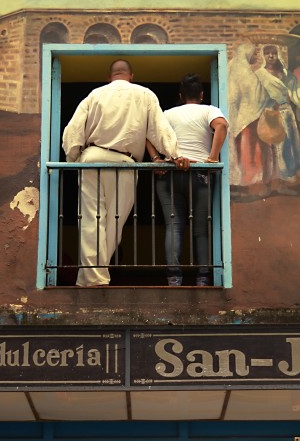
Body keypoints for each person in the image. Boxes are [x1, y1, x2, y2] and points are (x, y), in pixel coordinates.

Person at [62, 59, 180, 287]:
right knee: (114, 223)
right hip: (125, 163)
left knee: (91, 220)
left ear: (110, 77)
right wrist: (174, 155)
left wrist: (74, 159)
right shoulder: (145, 94)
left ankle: (92, 277)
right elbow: (160, 129)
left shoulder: (94, 95)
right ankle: (95, 276)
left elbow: (72, 132)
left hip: (93, 159)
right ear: (131, 75)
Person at [147, 74, 229, 287]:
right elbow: (221, 126)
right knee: (200, 229)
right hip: (199, 172)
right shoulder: (209, 110)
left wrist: (156, 159)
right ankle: (202, 278)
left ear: (180, 96)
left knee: (173, 226)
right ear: (201, 95)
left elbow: (147, 134)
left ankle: (174, 278)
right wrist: (212, 157)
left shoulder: (168, 114)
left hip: (170, 173)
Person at [256, 45, 300, 194]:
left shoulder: (285, 74)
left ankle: (282, 185)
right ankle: (267, 187)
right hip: (268, 115)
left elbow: (297, 91)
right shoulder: (259, 75)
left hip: (285, 114)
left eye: (274, 53)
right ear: (263, 56)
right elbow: (256, 96)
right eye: (267, 54)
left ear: (278, 55)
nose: (271, 56)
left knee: (285, 149)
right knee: (269, 151)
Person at [228, 42, 274, 200]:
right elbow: (256, 97)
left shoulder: (232, 66)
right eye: (254, 53)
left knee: (238, 152)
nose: (256, 56)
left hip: (235, 118)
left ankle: (238, 186)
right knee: (249, 152)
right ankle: (247, 187)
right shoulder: (245, 72)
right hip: (248, 118)